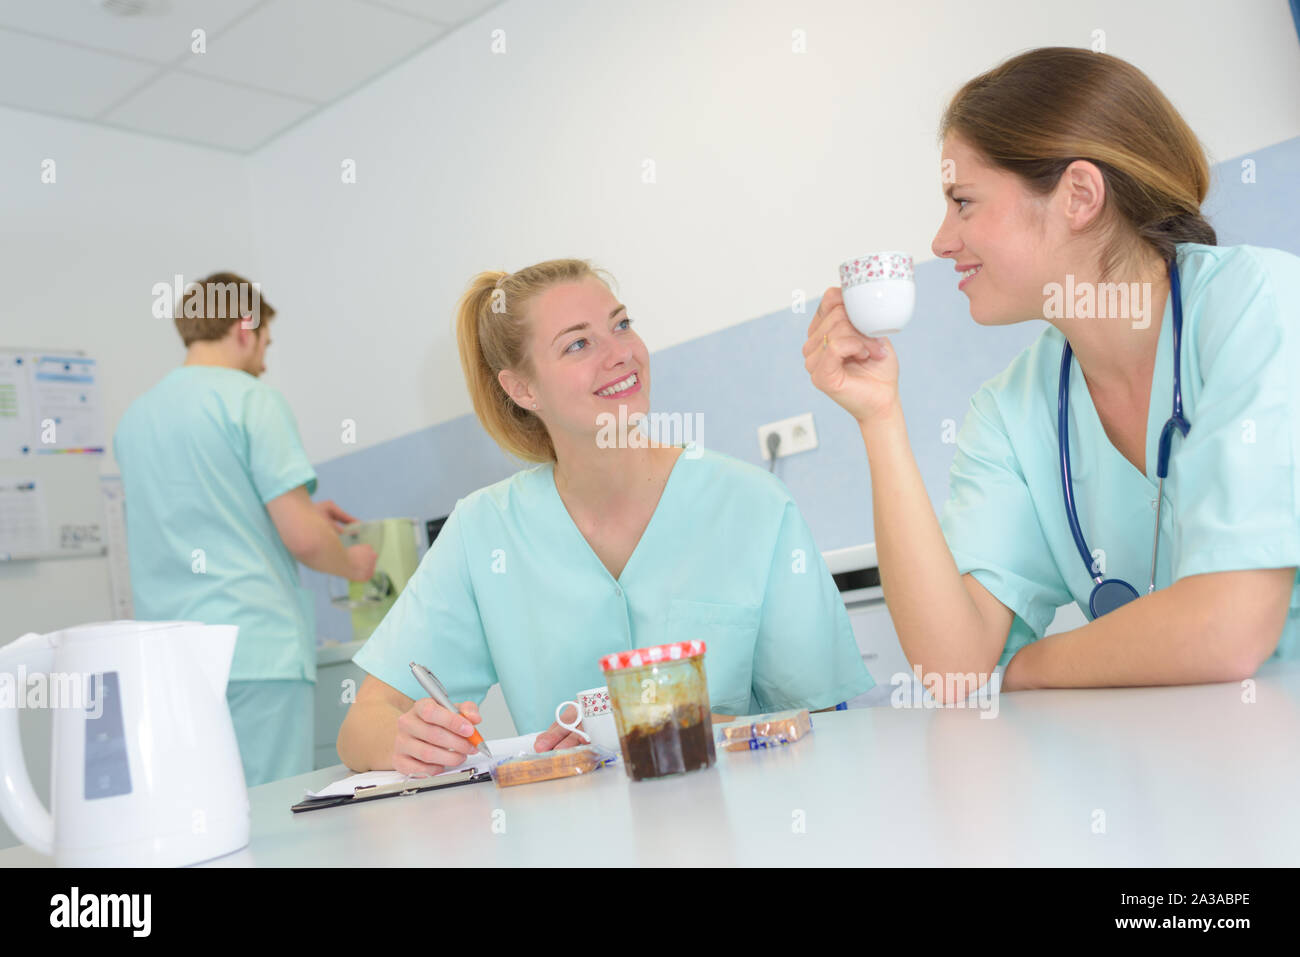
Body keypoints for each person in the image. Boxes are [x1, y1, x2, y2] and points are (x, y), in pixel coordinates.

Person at [804, 47, 1300, 699]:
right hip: (1180, 749)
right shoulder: (1011, 410)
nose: (940, 241)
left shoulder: (1257, 306)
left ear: (1079, 196)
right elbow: (953, 667)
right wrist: (879, 419)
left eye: (963, 202)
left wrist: (1026, 668)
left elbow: (1227, 627)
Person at [338, 258, 872, 775]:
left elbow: (828, 723)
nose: (621, 354)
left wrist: (671, 730)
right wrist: (409, 740)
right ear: (521, 389)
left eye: (621, 325)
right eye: (578, 344)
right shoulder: (483, 531)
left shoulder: (753, 504)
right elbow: (361, 727)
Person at [114, 271, 377, 785]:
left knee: (198, 806)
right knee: (266, 811)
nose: (264, 361)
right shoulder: (251, 399)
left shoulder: (135, 419)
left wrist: (295, 512)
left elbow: (199, 515)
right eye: (265, 344)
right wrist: (353, 564)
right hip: (256, 651)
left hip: (170, 661)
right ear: (244, 327)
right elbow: (304, 539)